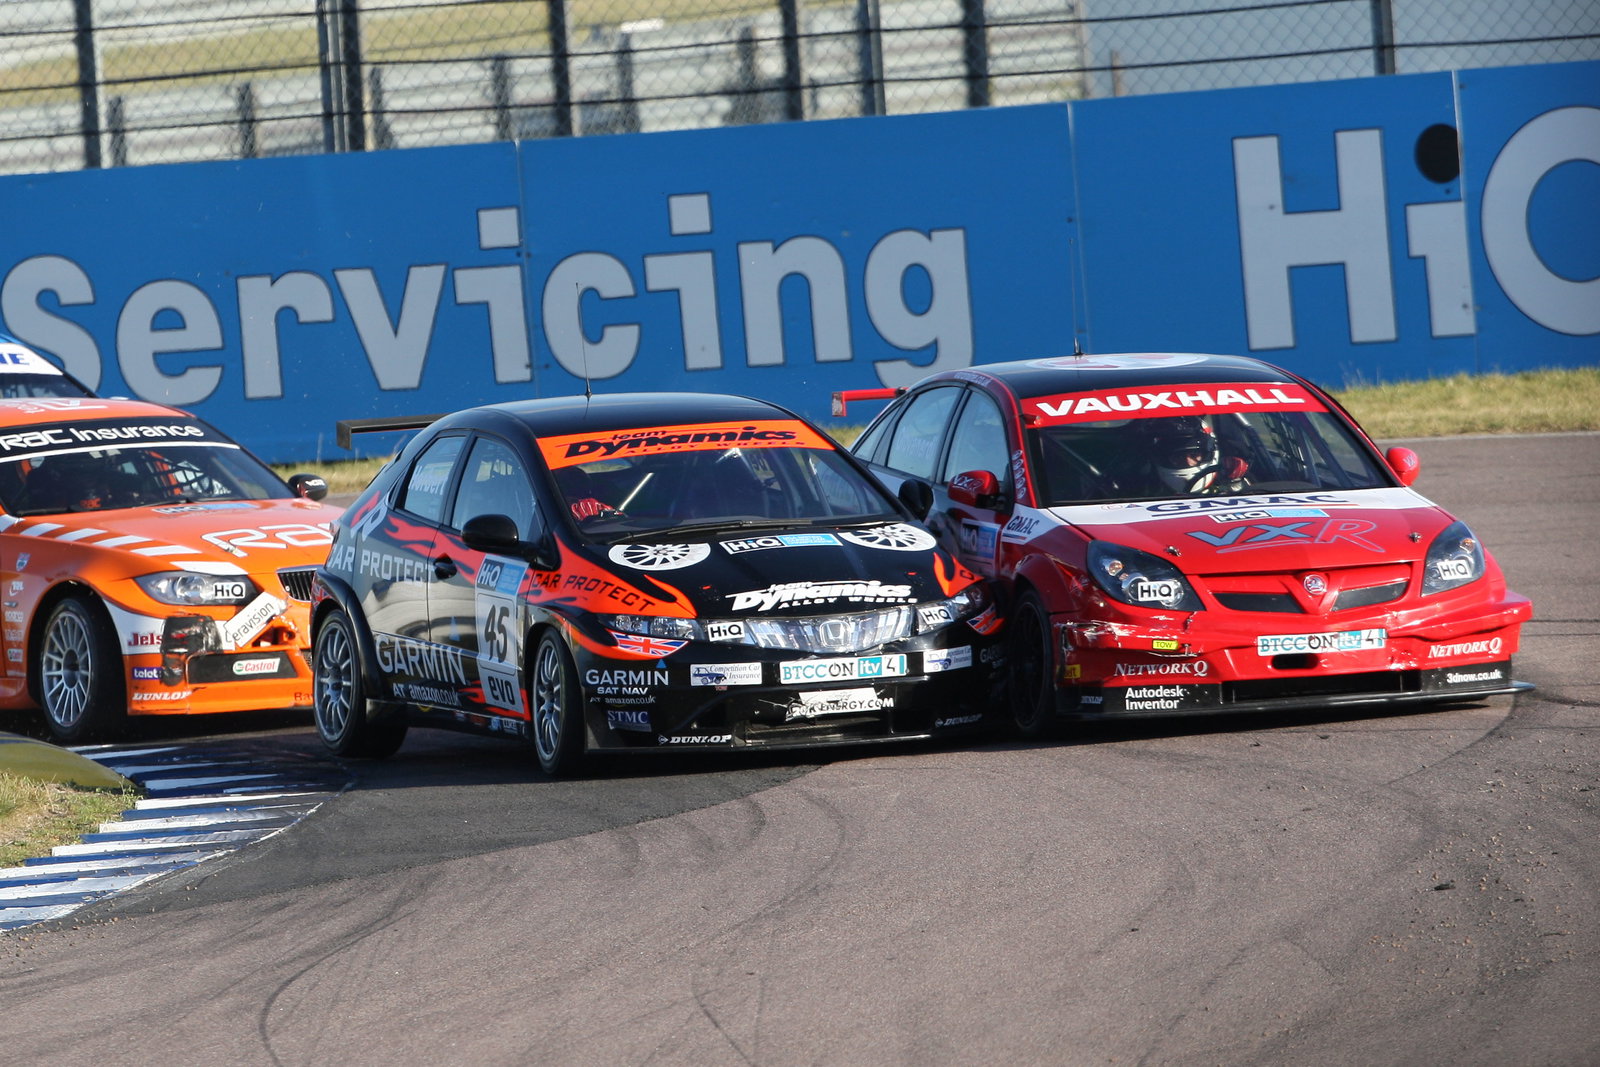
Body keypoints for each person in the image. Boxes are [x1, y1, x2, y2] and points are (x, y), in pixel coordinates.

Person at [1142, 415, 1247, 496]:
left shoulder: (1229, 479)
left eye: (1194, 455)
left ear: (1210, 453)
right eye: (1178, 457)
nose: (1188, 462)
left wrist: (1234, 485)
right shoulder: (1144, 493)